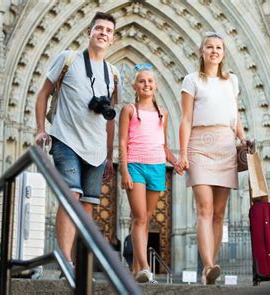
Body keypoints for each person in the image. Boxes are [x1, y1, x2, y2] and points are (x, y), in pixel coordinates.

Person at [34, 12, 120, 273]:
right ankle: (65, 260)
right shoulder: (68, 59)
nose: (103, 33)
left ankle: (76, 261)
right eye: (99, 28)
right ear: (89, 33)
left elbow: (110, 118)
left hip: (95, 149)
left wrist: (108, 156)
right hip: (65, 139)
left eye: (108, 30)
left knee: (87, 206)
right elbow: (43, 94)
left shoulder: (113, 74)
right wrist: (41, 129)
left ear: (113, 39)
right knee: (71, 196)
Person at [178, 32, 247, 285]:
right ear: (202, 52)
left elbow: (235, 115)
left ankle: (210, 267)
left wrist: (243, 138)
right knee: (204, 208)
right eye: (209, 47)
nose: (214, 51)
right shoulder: (192, 80)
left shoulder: (232, 81)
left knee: (219, 213)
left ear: (223, 53)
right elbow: (185, 118)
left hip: (226, 144)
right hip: (199, 144)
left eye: (219, 47)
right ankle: (208, 265)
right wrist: (183, 153)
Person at [119, 65, 181, 283]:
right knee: (140, 217)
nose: (146, 84)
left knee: (146, 220)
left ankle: (136, 271)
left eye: (150, 81)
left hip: (157, 167)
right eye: (142, 81)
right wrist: (124, 170)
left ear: (156, 85)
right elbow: (123, 142)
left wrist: (175, 162)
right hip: (135, 165)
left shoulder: (162, 113)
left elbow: (163, 144)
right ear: (134, 85)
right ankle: (145, 267)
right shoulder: (129, 110)